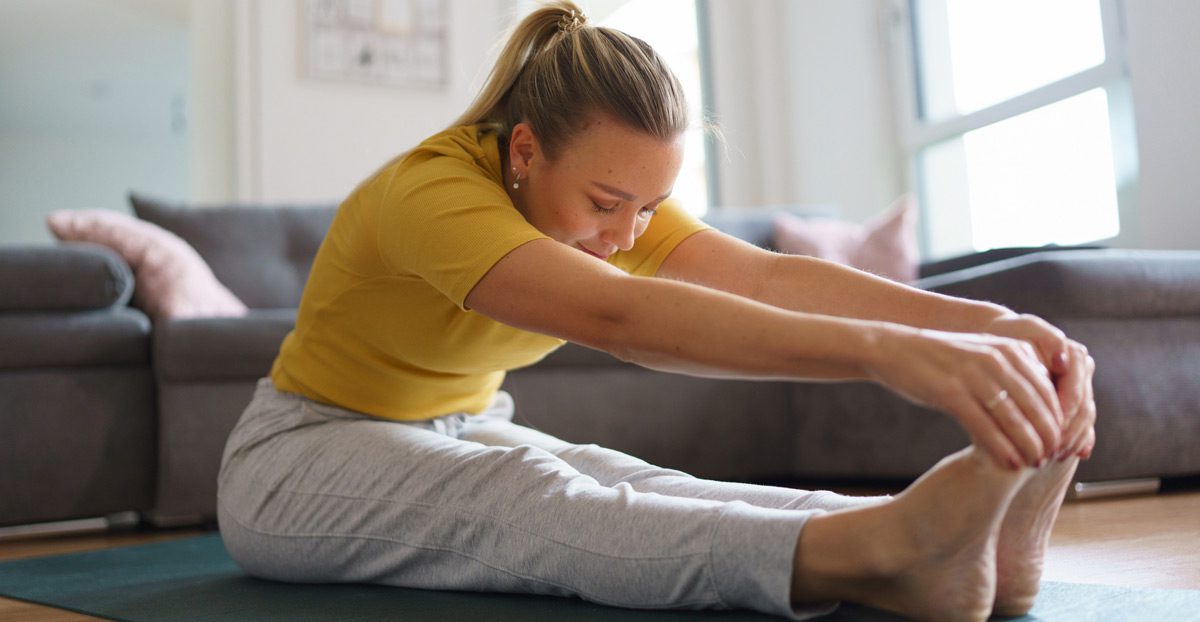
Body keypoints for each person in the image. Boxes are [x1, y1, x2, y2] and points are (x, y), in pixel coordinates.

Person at [217, 2, 1097, 620]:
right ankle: (880, 554)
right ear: (525, 150)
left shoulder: (610, 198)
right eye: (608, 204)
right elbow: (624, 319)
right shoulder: (431, 194)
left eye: (648, 206)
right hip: (299, 452)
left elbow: (762, 280)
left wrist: (983, 328)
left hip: (457, 422)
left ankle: (956, 548)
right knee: (532, 496)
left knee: (627, 478)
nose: (626, 230)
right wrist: (884, 353)